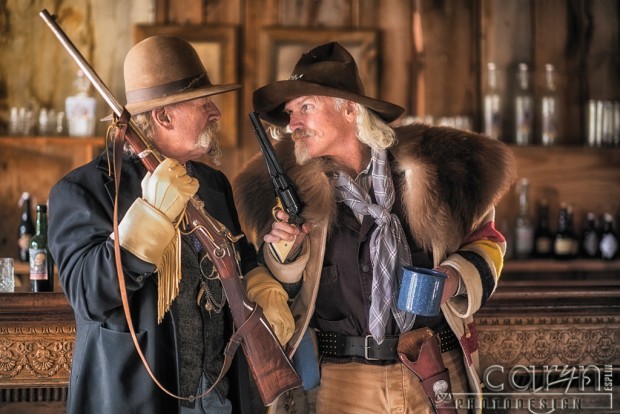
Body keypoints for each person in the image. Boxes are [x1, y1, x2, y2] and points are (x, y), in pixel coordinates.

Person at [234, 42, 516, 413]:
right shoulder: (288, 192)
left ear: (350, 109)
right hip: (342, 382)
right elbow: (276, 294)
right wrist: (286, 251)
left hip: (432, 368)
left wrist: (453, 277)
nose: (294, 124)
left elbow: (489, 242)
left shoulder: (437, 172)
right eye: (290, 113)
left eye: (305, 107)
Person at [48, 35, 291, 414]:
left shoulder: (212, 184)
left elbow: (239, 258)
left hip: (219, 396)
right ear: (163, 116)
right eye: (204, 103)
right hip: (138, 399)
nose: (216, 112)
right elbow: (88, 294)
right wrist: (150, 217)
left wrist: (264, 280)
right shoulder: (84, 190)